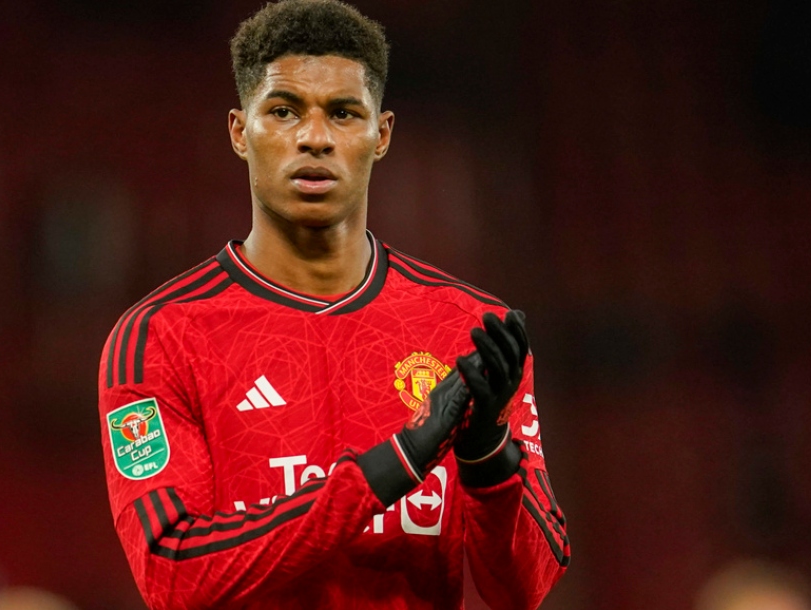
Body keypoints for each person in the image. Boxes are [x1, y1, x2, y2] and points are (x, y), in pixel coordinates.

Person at [97, 1, 569, 607]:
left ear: (382, 134)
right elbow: (173, 572)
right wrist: (400, 459)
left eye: (343, 113)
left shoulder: (469, 331)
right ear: (240, 132)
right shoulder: (162, 337)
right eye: (284, 111)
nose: (314, 138)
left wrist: (487, 454)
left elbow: (525, 588)